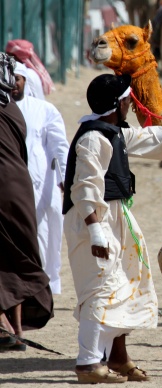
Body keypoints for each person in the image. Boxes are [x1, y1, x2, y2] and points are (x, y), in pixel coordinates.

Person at [63, 73, 162, 384]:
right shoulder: (93, 139)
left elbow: (152, 139)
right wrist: (96, 232)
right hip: (93, 219)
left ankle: (118, 357)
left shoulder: (115, 132)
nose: (130, 104)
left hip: (116, 216)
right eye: (126, 100)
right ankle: (88, 363)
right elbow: (83, 191)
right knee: (101, 288)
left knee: (126, 285)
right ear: (116, 104)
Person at [0, 52, 53, 352]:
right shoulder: (12, 108)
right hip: (21, 190)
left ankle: (3, 327)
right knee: (17, 255)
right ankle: (17, 330)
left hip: (3, 189)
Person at [11, 62, 69, 295]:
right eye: (10, 78)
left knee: (47, 235)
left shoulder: (44, 110)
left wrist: (65, 178)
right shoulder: (4, 110)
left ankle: (45, 286)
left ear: (25, 81)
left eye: (18, 78)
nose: (14, 83)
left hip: (42, 187)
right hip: (10, 186)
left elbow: (60, 147)